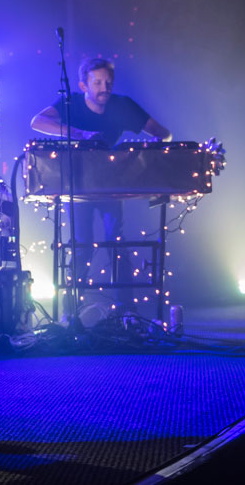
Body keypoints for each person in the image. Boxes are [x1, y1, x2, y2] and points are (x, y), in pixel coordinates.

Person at [29, 57, 171, 309]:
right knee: (81, 245)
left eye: (108, 82)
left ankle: (127, 311)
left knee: (115, 241)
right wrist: (80, 134)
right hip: (77, 185)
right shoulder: (70, 103)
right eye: (97, 83)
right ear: (84, 86)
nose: (104, 87)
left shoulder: (123, 105)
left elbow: (164, 133)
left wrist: (145, 155)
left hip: (111, 185)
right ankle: (71, 313)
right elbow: (37, 122)